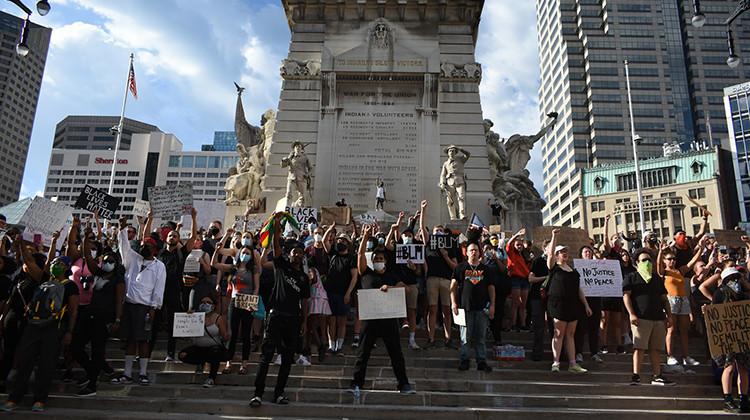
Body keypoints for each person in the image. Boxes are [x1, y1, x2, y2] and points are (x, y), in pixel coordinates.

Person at [1, 240, 79, 413]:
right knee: (24, 362)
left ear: (66, 267)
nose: (54, 266)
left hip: (54, 328)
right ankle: (15, 398)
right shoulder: (44, 278)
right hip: (33, 326)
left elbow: (73, 311)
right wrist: (21, 245)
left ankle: (40, 399)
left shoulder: (71, 286)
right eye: (53, 263)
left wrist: (69, 331)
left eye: (58, 264)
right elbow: (29, 262)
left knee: (47, 364)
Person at [250, 213, 310, 408]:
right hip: (275, 315)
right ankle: (258, 393)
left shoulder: (303, 278)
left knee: (286, 360)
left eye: (301, 253)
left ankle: (279, 393)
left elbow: (305, 301)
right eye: (295, 252)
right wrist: (276, 226)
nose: (298, 254)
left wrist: (304, 321)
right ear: (289, 254)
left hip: (293, 319)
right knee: (266, 356)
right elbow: (276, 246)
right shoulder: (281, 266)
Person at [348, 225, 415, 394]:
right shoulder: (366, 274)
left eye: (381, 259)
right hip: (370, 319)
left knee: (396, 353)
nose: (378, 260)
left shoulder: (392, 276)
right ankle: (357, 383)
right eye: (375, 259)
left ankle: (403, 384)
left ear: (385, 261)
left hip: (389, 319)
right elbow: (361, 255)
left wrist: (390, 287)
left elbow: (407, 290)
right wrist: (364, 236)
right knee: (363, 353)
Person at [110, 216, 167, 386]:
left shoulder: (159, 266)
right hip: (129, 305)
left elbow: (159, 289)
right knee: (130, 339)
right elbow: (123, 247)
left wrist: (153, 309)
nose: (143, 247)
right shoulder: (133, 259)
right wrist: (122, 228)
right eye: (142, 245)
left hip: (145, 307)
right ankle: (127, 373)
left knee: (143, 340)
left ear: (154, 249)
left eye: (147, 246)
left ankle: (142, 372)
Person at [72, 230, 125, 397]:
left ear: (116, 264)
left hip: (104, 318)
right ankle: (92, 371)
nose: (108, 263)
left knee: (97, 350)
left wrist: (117, 319)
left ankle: (92, 385)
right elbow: (87, 256)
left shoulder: (118, 279)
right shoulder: (98, 273)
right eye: (106, 260)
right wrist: (86, 239)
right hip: (89, 314)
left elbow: (119, 300)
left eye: (111, 261)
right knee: (75, 346)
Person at [623, 250, 674, 386]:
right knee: (639, 347)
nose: (648, 263)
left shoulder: (657, 278)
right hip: (641, 318)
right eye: (644, 260)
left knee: (656, 348)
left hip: (658, 318)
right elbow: (626, 295)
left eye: (650, 260)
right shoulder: (632, 277)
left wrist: (669, 316)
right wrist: (631, 314)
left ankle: (657, 375)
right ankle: (636, 375)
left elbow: (664, 298)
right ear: (637, 263)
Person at [546, 229, 592, 373]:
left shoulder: (574, 271)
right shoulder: (554, 268)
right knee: (558, 334)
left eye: (566, 251)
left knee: (570, 335)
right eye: (561, 252)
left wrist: (586, 305)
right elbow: (550, 254)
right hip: (558, 306)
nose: (564, 253)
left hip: (573, 306)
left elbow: (579, 290)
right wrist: (554, 237)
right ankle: (556, 362)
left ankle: (573, 364)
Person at [211, 241, 260, 375]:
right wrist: (217, 250)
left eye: (247, 253)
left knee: (245, 334)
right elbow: (214, 264)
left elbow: (256, 288)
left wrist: (252, 303)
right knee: (231, 333)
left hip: (247, 302)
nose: (244, 255)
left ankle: (244, 364)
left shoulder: (253, 269)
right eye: (243, 253)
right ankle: (228, 363)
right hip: (234, 301)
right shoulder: (233, 268)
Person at [658, 237, 706, 367]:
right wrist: (660, 252)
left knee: (684, 330)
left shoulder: (680, 271)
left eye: (673, 259)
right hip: (671, 300)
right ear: (664, 261)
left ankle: (686, 356)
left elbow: (691, 263)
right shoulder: (664, 272)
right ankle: (670, 355)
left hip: (683, 299)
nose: (672, 261)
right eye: (669, 259)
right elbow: (658, 267)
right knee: (671, 330)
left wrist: (701, 249)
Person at [419, 200, 458, 349]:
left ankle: (448, 339)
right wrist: (423, 210)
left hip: (447, 280)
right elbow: (422, 227)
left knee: (447, 310)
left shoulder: (450, 246)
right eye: (436, 230)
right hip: (432, 280)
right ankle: (431, 339)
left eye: (440, 230)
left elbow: (455, 266)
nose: (438, 232)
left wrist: (446, 256)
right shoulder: (428, 243)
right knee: (433, 309)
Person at [710, 267, 750, 413]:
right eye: (732, 278)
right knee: (729, 367)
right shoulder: (720, 293)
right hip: (727, 336)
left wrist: (745, 284)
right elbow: (715, 313)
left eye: (737, 278)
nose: (735, 281)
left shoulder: (744, 295)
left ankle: (743, 398)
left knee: (743, 368)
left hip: (742, 337)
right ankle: (727, 399)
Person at [451, 242, 495, 372]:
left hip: (482, 308)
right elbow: (453, 286)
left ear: (479, 252)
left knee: (480, 338)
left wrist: (493, 304)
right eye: (471, 250)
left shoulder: (486, 269)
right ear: (467, 253)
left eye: (476, 250)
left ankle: (481, 361)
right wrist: (454, 303)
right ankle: (465, 360)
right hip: (465, 308)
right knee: (465, 337)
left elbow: (491, 287)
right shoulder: (460, 268)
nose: (474, 252)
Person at [178, 293, 230, 388]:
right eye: (202, 302)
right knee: (182, 355)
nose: (205, 304)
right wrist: (188, 318)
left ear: (213, 306)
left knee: (216, 351)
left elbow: (224, 336)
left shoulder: (218, 318)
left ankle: (211, 378)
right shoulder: (194, 316)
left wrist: (227, 336)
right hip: (198, 348)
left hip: (212, 349)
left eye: (208, 302)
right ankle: (200, 362)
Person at [321, 223, 358, 355]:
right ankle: (331, 347)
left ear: (348, 244)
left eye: (342, 240)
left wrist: (348, 293)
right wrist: (330, 229)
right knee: (331, 321)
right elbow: (324, 241)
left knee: (342, 321)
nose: (340, 242)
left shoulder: (352, 258)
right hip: (331, 292)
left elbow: (354, 277)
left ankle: (339, 347)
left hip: (343, 294)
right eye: (338, 240)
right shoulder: (333, 254)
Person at [574, 245, 603, 364]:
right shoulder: (577, 269)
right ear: (581, 255)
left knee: (594, 328)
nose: (588, 254)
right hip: (581, 301)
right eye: (585, 252)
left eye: (590, 252)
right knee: (580, 327)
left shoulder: (599, 268)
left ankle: (594, 353)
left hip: (596, 300)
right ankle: (578, 352)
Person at [528, 239, 551, 361]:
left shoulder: (556, 263)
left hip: (553, 298)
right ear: (544, 249)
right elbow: (531, 279)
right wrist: (545, 278)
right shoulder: (538, 261)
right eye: (550, 247)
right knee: (538, 325)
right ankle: (537, 353)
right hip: (538, 297)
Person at [506, 229, 530, 331]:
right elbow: (508, 244)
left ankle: (523, 325)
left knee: (523, 304)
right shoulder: (512, 254)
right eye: (517, 245)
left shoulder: (524, 256)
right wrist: (517, 235)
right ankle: (513, 324)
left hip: (525, 280)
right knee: (515, 303)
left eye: (521, 245)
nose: (519, 246)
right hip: (515, 279)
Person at [438, 145, 470, 220]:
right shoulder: (446, 163)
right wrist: (442, 183)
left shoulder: (461, 159)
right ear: (448, 153)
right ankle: (453, 216)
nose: (451, 152)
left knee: (461, 197)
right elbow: (443, 174)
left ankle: (462, 215)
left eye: (453, 151)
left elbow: (468, 154)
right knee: (450, 200)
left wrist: (460, 148)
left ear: (455, 152)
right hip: (449, 183)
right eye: (450, 151)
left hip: (460, 181)